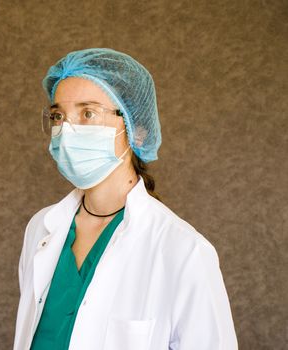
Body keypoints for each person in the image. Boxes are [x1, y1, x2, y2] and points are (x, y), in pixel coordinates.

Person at [13, 48, 238, 350]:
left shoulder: (183, 250)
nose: (67, 131)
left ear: (137, 130)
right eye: (58, 116)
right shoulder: (41, 228)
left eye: (88, 113)